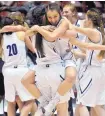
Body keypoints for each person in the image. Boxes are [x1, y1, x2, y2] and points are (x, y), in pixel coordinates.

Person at [0, 17, 35, 116]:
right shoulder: (21, 34)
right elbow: (33, 49)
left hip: (7, 71)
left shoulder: (1, 38)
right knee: (30, 100)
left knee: (11, 102)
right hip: (21, 70)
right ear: (13, 24)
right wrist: (21, 28)